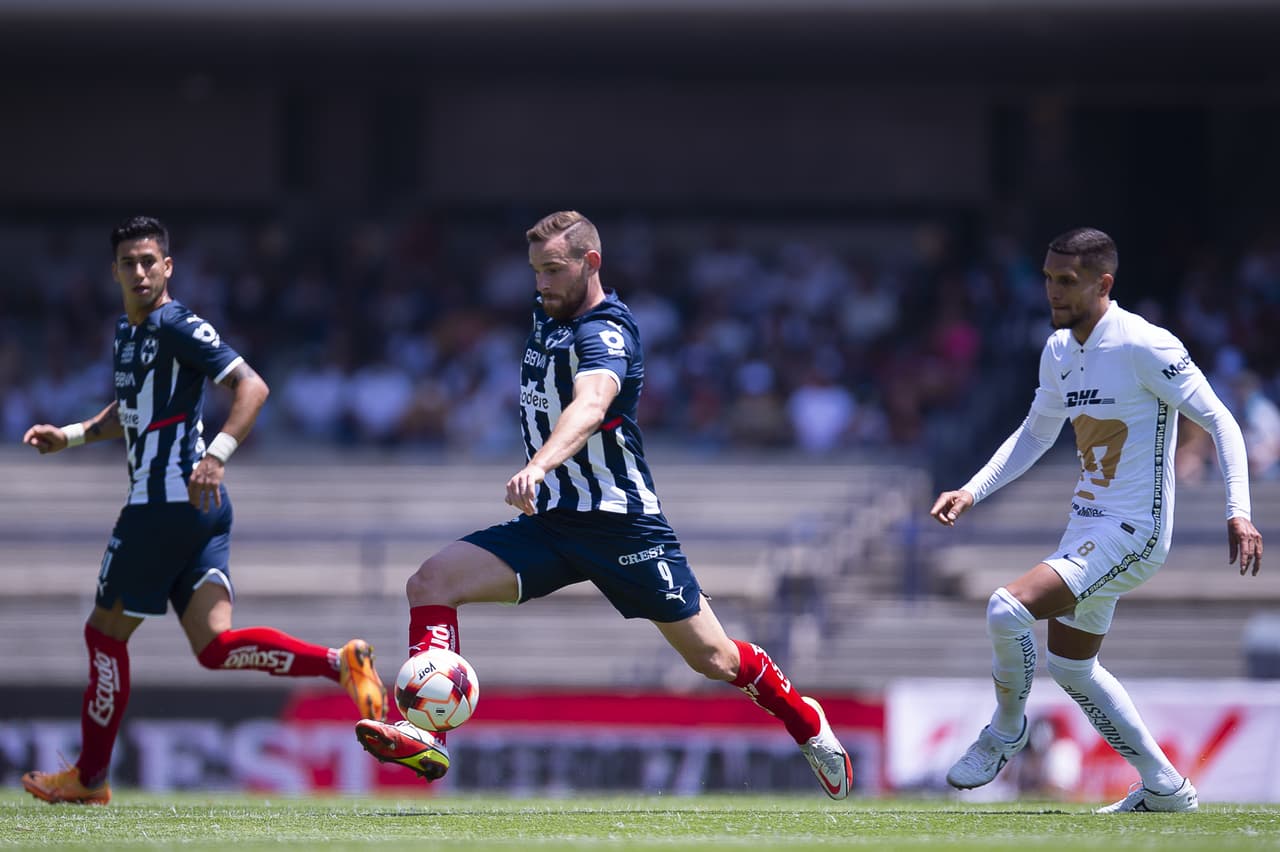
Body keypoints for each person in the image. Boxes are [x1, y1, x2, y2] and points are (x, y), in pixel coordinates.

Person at [353, 211, 853, 799]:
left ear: (591, 263)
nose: (541, 283)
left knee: (714, 659)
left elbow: (592, 405)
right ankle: (425, 729)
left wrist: (539, 464)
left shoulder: (606, 332)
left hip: (623, 526)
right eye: (536, 271)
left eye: (554, 269)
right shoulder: (549, 311)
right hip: (553, 522)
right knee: (430, 583)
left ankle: (804, 718)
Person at [20, 216, 387, 805]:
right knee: (215, 646)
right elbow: (130, 410)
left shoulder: (176, 323)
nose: (139, 271)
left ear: (168, 268)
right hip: (199, 509)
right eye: (128, 263)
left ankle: (89, 776)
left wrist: (217, 454)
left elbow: (253, 387)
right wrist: (71, 435)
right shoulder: (129, 333)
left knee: (104, 636)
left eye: (149, 261)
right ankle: (340, 662)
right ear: (114, 271)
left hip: (162, 506)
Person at [930, 227, 1263, 813]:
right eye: (1048, 280)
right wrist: (974, 489)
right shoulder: (1058, 350)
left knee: (1006, 607)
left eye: (1067, 281)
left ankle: (1006, 730)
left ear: (1102, 283)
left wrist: (1239, 510)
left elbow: (1221, 420)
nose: (1054, 292)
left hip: (1135, 531)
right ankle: (1166, 787)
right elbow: (1037, 432)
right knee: (1073, 667)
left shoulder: (1144, 344)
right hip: (1086, 528)